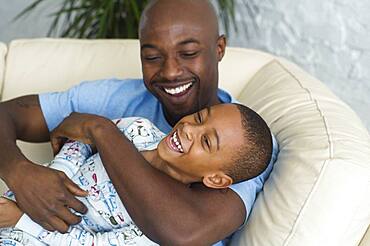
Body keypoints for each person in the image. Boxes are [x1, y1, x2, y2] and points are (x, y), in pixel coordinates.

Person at [0, 0, 279, 245]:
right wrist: (20, 172)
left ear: (218, 49)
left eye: (189, 53)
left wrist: (100, 130)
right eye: (152, 57)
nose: (170, 72)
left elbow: (183, 233)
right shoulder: (126, 108)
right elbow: (8, 115)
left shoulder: (244, 144)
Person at [0, 103, 274, 245]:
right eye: (201, 117)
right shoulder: (137, 130)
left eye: (206, 142)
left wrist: (22, 219)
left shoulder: (160, 221)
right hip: (18, 200)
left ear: (215, 179)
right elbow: (80, 141)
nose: (190, 128)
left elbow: (91, 245)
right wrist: (54, 180)